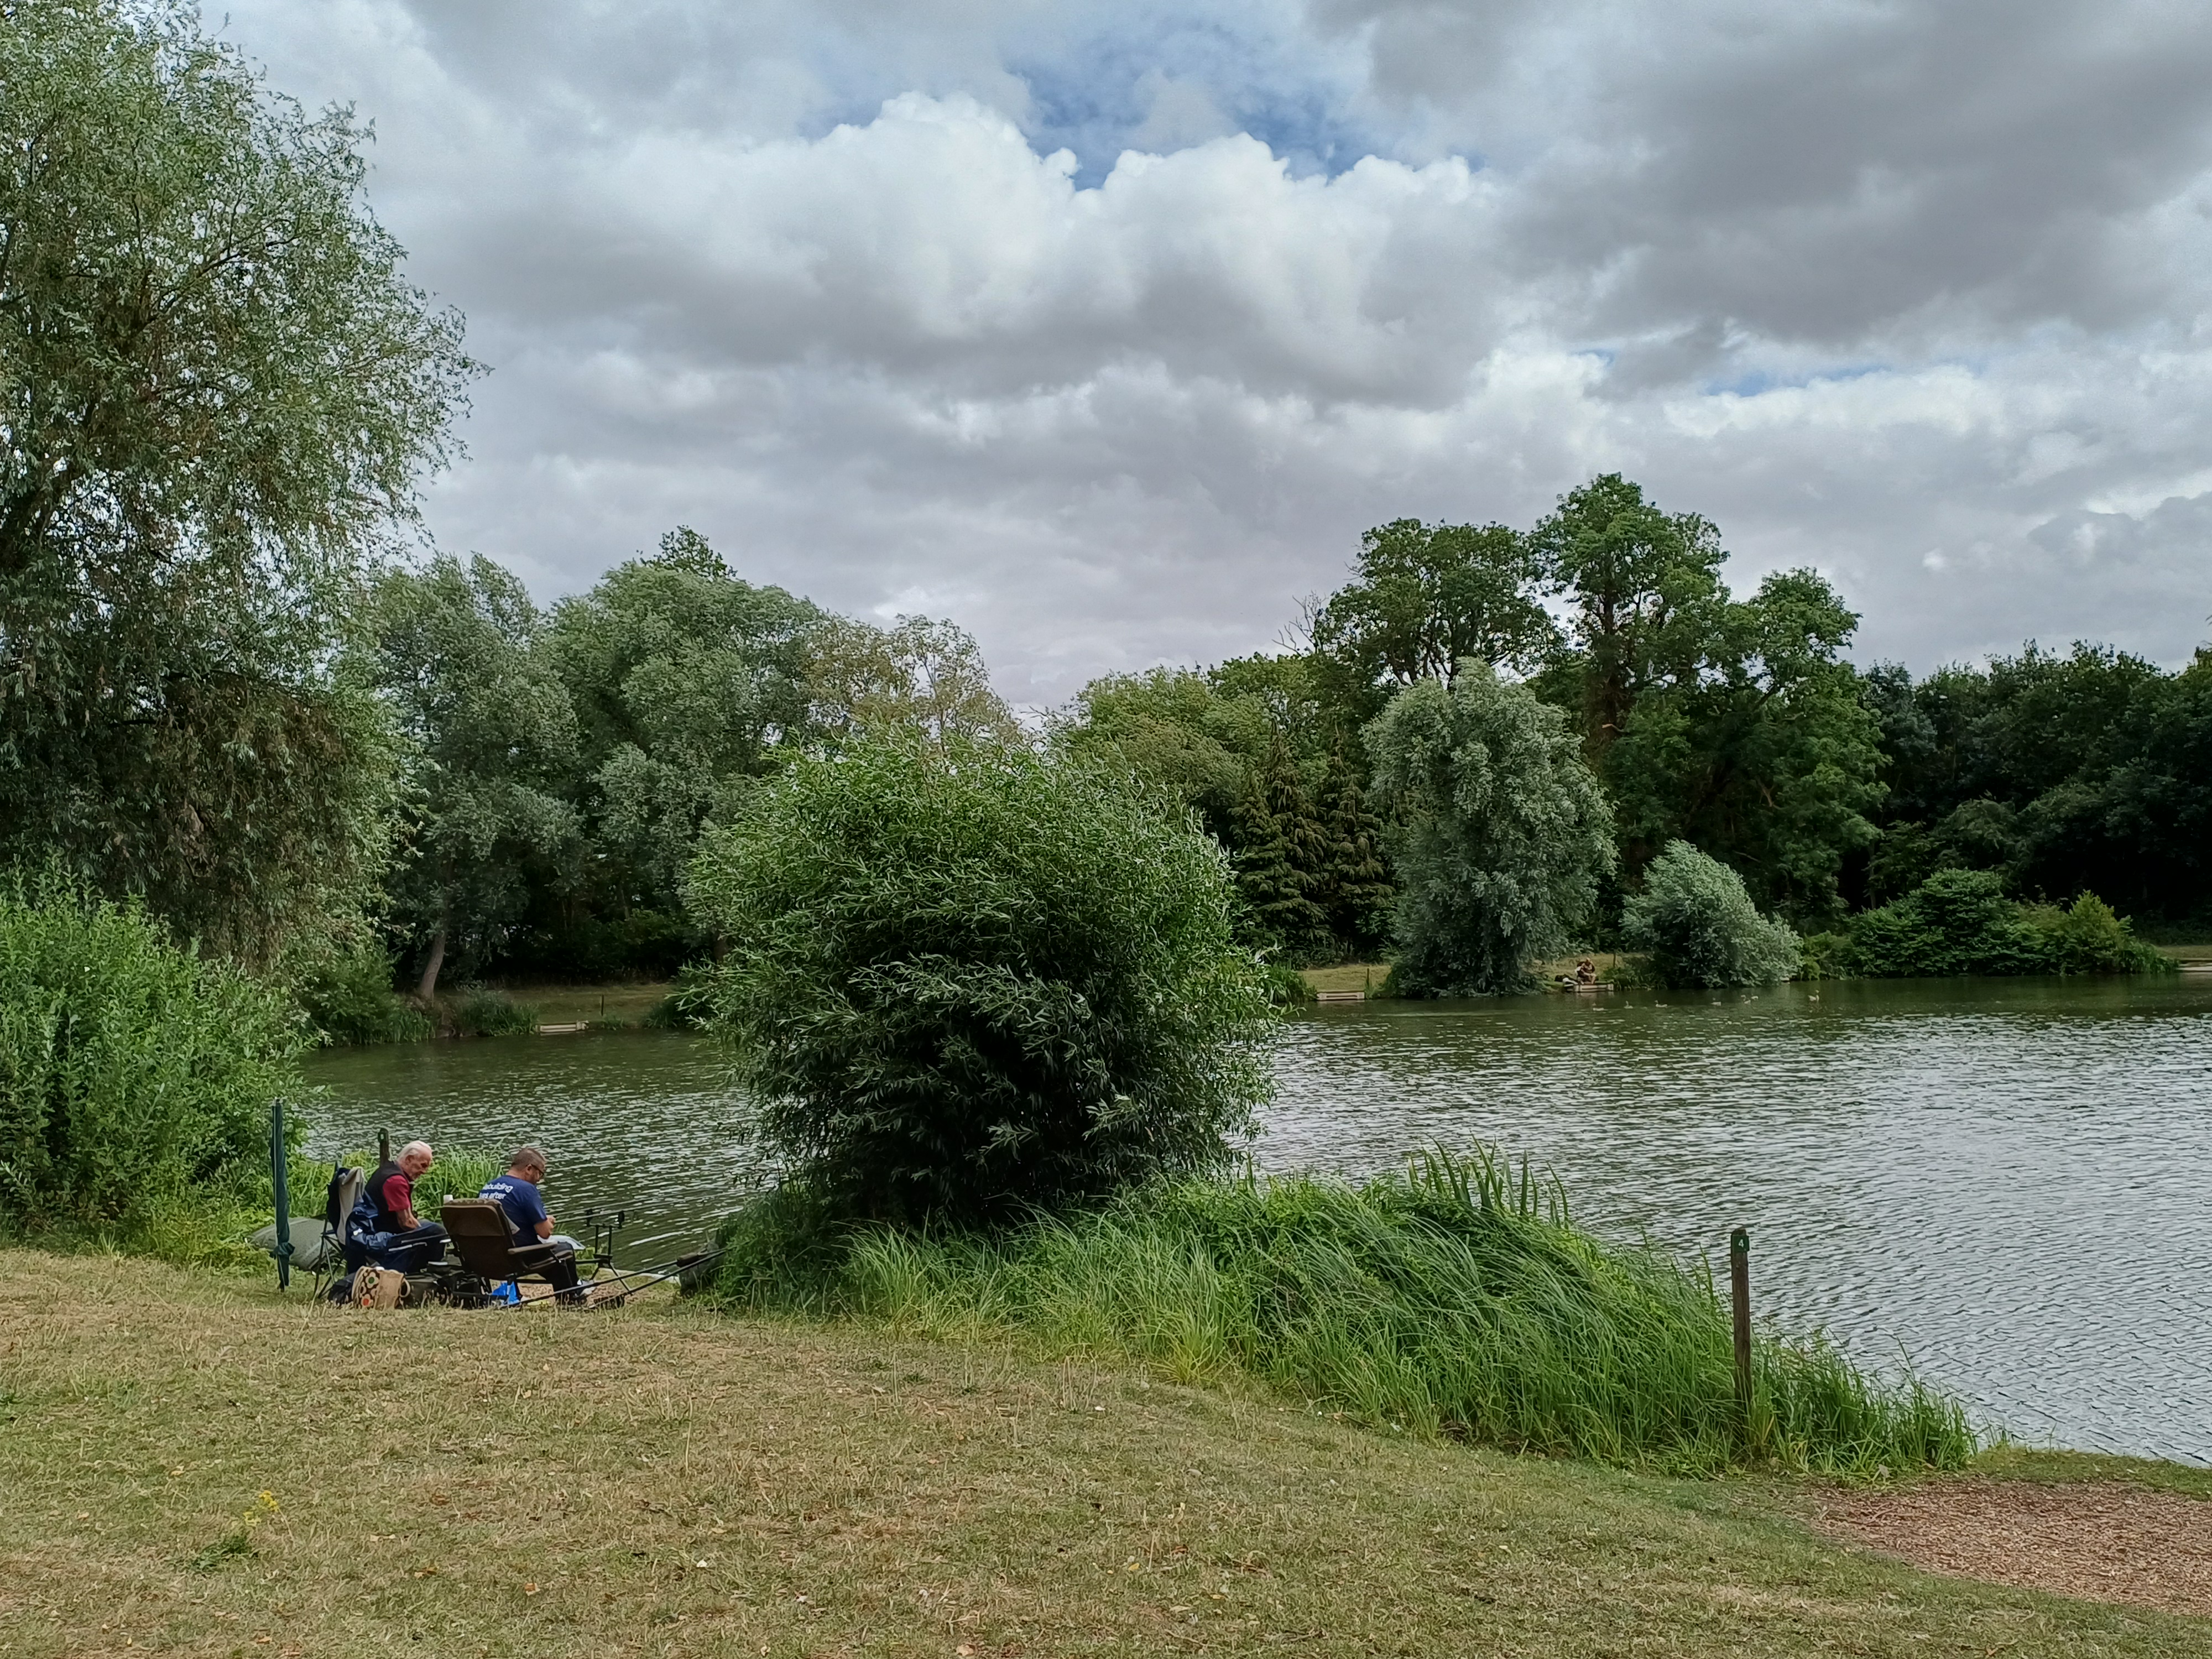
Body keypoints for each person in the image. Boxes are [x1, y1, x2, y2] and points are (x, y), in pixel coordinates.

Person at [479, 1145, 585, 1303]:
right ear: (529, 1168)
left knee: (556, 1258)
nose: (540, 1179)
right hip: (518, 1256)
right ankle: (572, 1296)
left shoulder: (488, 1187)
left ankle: (573, 1293)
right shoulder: (526, 1189)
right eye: (540, 1173)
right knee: (565, 1249)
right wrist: (547, 1221)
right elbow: (544, 1233)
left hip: (489, 1255)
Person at [348, 1140, 449, 1274]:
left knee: (430, 1228)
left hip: (370, 1229)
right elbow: (406, 1223)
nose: (424, 1172)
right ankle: (433, 1273)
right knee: (438, 1232)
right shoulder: (396, 1181)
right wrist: (428, 1231)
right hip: (378, 1237)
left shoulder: (388, 1169)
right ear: (409, 1160)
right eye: (423, 1166)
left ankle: (422, 1269)